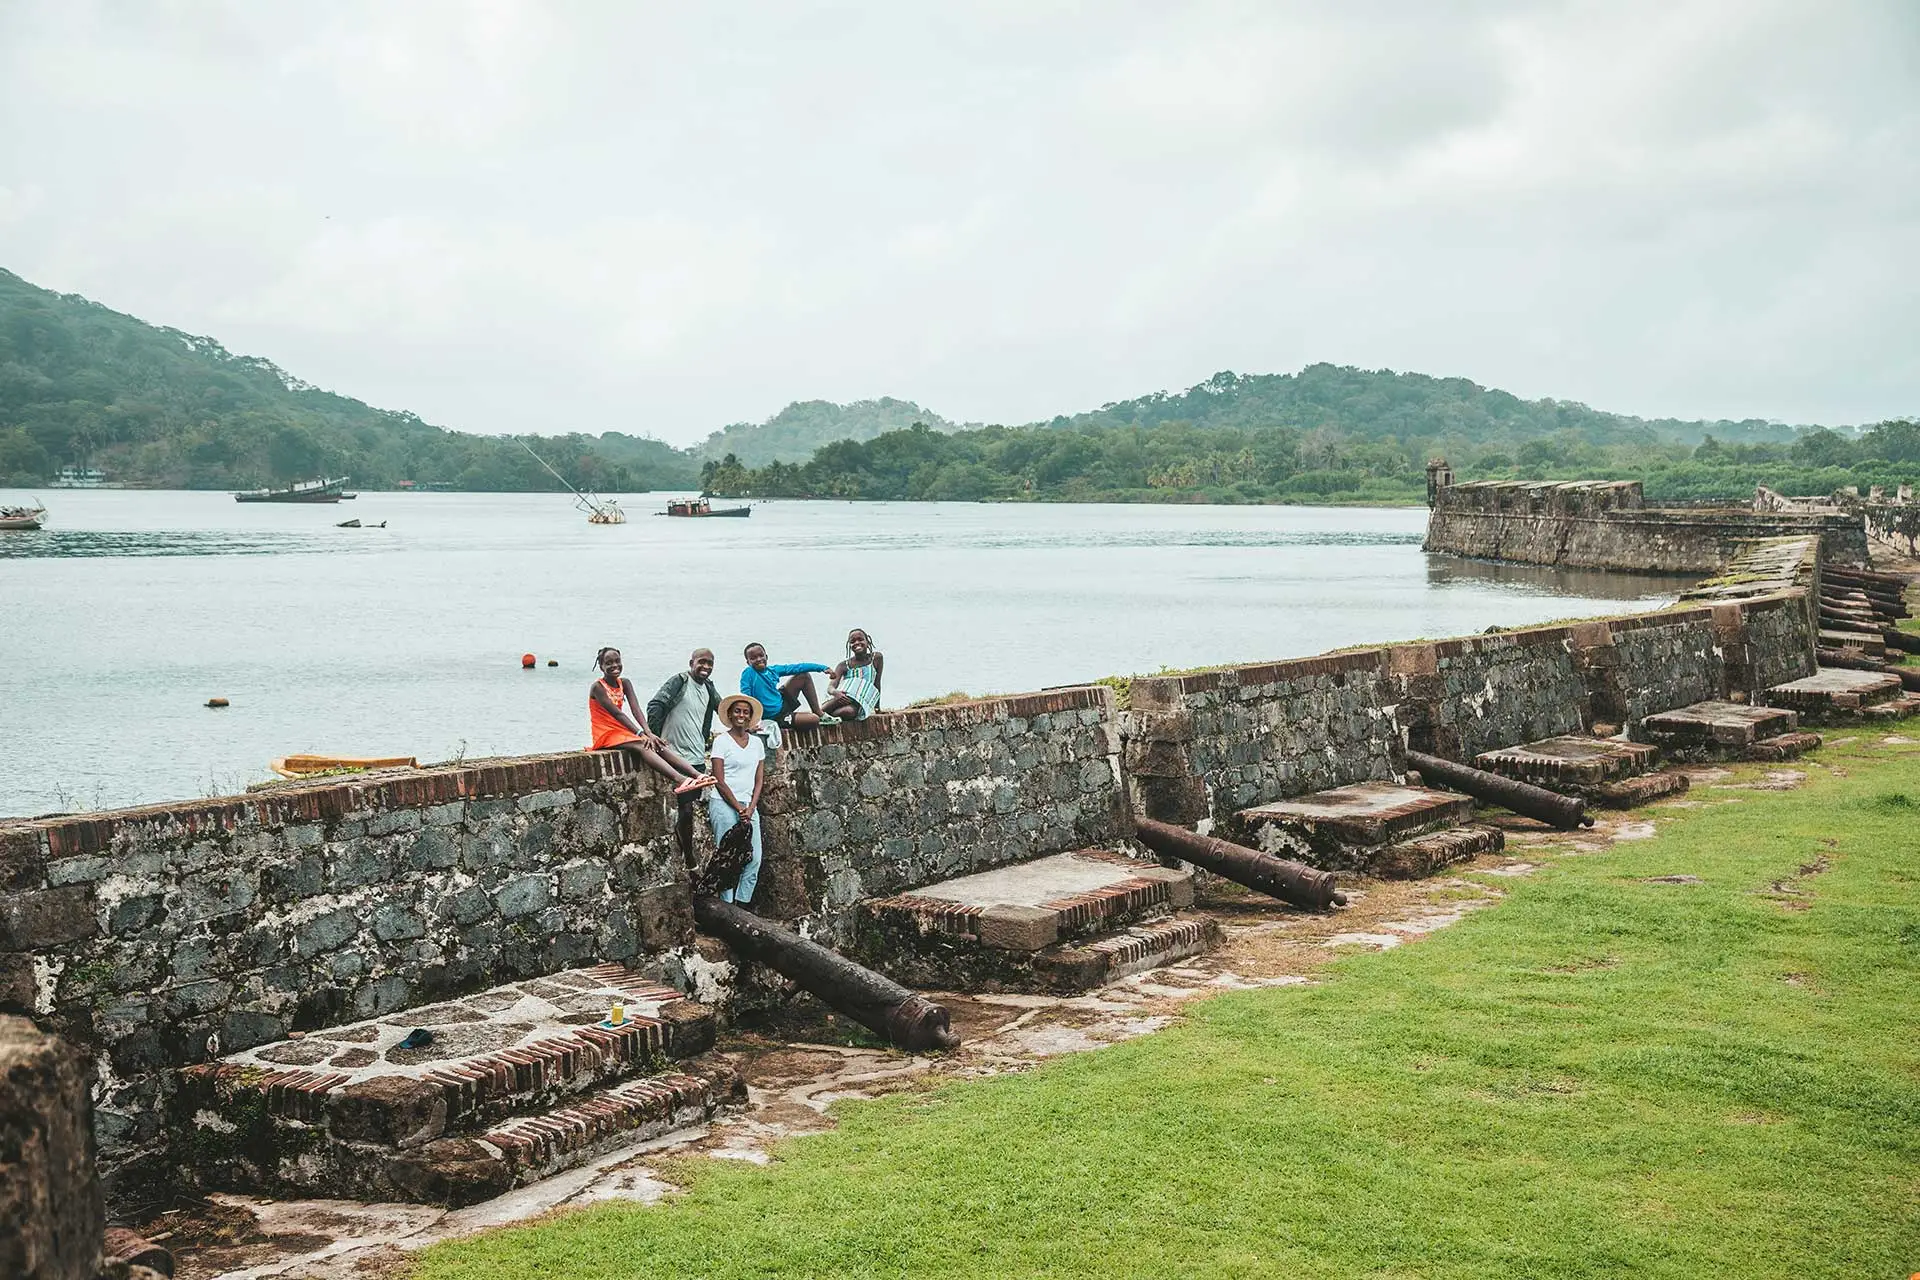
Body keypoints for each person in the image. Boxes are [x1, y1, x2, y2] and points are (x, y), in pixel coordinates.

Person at [588, 648, 714, 795]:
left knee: (655, 743)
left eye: (617, 661)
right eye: (608, 663)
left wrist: (649, 732)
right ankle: (680, 779)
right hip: (605, 732)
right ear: (601, 666)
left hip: (620, 730)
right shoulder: (598, 687)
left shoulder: (625, 683)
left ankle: (697, 775)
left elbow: (636, 710)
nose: (614, 666)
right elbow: (617, 714)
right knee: (643, 745)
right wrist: (640, 733)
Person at [707, 692, 767, 904]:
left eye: (745, 712)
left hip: (749, 806)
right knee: (727, 859)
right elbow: (719, 780)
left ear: (750, 717)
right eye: (737, 711)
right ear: (730, 715)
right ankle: (727, 906)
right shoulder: (722, 741)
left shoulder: (757, 744)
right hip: (723, 805)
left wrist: (750, 808)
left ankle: (742, 904)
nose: (741, 715)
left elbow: (759, 781)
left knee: (755, 858)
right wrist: (738, 808)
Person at [739, 642, 835, 730]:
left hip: (782, 701)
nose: (759, 659)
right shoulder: (749, 672)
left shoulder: (773, 670)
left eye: (761, 655)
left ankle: (819, 712)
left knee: (803, 676)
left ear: (766, 656)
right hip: (776, 716)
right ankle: (794, 719)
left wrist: (823, 668)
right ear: (748, 662)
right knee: (813, 719)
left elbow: (797, 667)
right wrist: (749, 725)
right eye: (753, 658)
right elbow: (746, 698)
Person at [821, 628, 884, 722]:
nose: (857, 643)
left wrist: (877, 708)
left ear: (867, 641)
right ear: (849, 645)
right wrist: (836, 693)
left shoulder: (876, 658)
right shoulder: (843, 665)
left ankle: (827, 717)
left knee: (849, 712)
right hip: (842, 698)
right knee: (834, 703)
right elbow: (831, 687)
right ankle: (820, 713)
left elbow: (877, 684)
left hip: (858, 703)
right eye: (853, 641)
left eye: (860, 639)